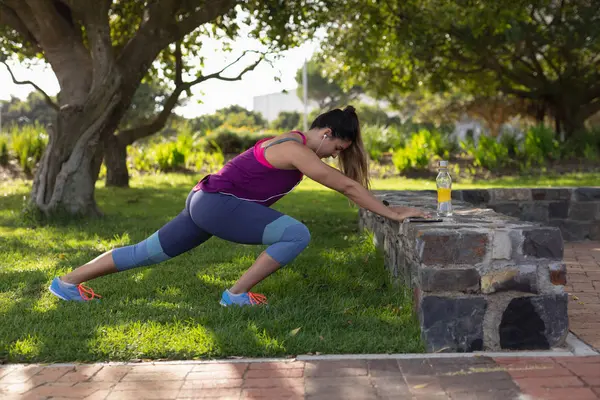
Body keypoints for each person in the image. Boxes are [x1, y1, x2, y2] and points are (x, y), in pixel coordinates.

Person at [48, 106, 430, 306]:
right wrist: (393, 213)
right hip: (216, 204)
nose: (333, 156)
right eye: (336, 149)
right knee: (296, 234)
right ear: (327, 134)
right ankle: (235, 295)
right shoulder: (296, 148)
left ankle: (66, 284)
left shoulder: (290, 141)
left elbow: (343, 180)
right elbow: (345, 186)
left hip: (205, 201)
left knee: (146, 253)